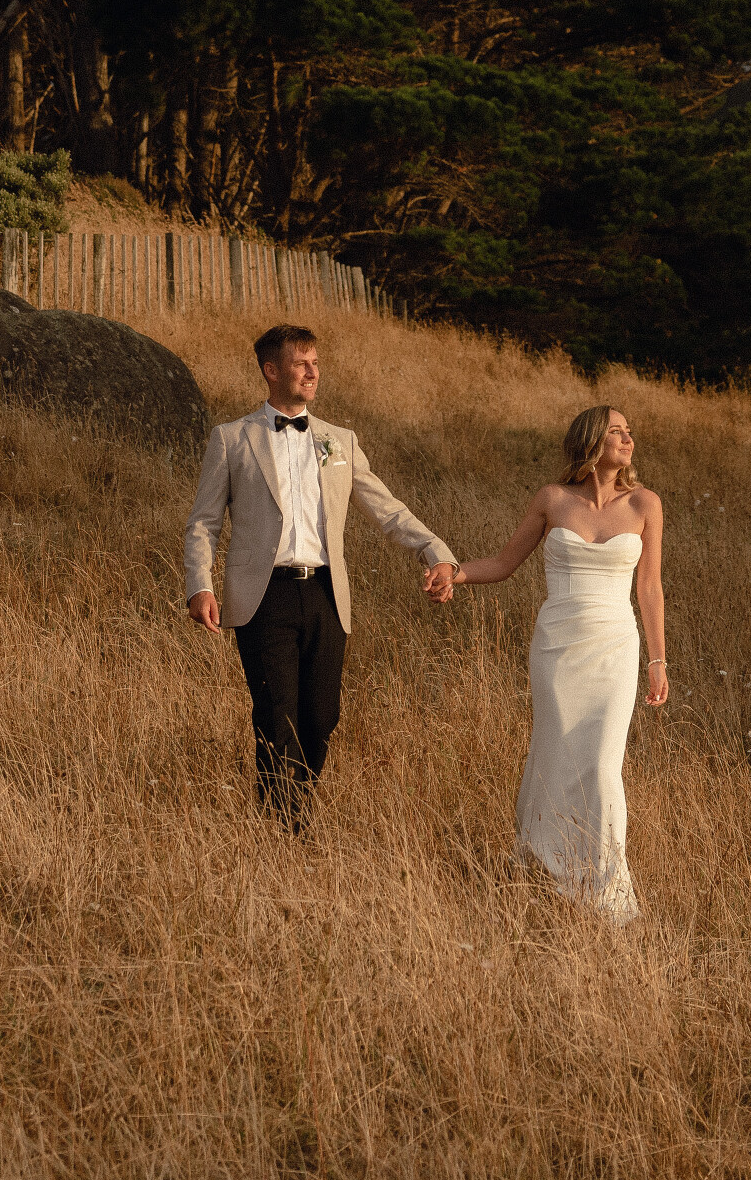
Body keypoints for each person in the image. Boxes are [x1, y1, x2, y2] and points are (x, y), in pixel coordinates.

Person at [184, 322, 458, 824]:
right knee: (277, 716)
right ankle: (285, 826)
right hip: (263, 597)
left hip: (327, 596)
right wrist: (200, 585)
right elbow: (203, 523)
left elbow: (387, 509)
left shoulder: (339, 440)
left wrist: (434, 551)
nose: (312, 373)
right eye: (301, 364)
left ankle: (296, 803)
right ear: (272, 370)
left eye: (315, 363)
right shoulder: (232, 438)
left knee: (321, 717)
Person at [428, 404, 665, 918]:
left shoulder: (645, 503)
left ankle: (605, 890)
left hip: (616, 647)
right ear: (591, 441)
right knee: (556, 755)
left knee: (602, 765)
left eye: (629, 431)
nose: (628, 439)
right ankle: (548, 872)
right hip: (557, 647)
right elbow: (504, 562)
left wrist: (658, 659)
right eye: (617, 431)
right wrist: (455, 573)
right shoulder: (552, 499)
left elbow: (649, 586)